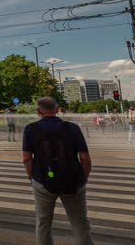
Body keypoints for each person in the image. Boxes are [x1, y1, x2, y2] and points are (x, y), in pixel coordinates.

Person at [22, 97, 93, 245]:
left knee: (43, 222)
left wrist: (31, 177)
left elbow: (27, 158)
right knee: (80, 223)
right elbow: (85, 158)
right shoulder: (72, 128)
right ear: (57, 109)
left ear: (38, 111)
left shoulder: (30, 129)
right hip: (72, 181)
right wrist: (83, 178)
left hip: (42, 180)